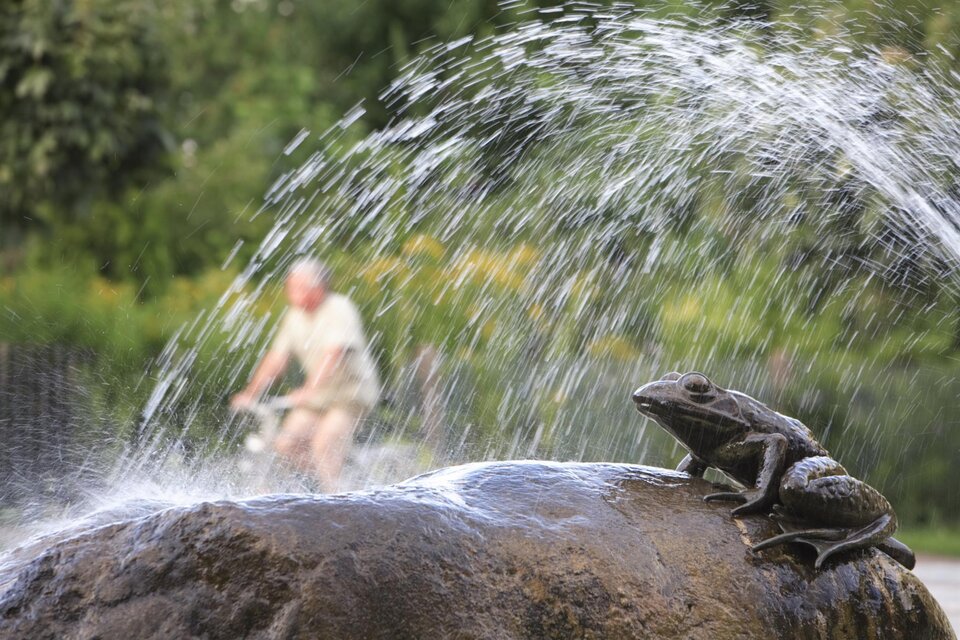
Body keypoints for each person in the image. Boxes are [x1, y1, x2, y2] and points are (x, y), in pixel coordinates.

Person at [231, 258, 380, 491]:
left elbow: (334, 354)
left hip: (350, 395)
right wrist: (250, 393)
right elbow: (277, 358)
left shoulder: (338, 308)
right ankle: (343, 483)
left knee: (324, 444)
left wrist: (309, 390)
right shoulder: (293, 316)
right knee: (285, 444)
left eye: (295, 286)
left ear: (316, 287)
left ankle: (339, 501)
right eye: (290, 287)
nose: (289, 292)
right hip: (318, 397)